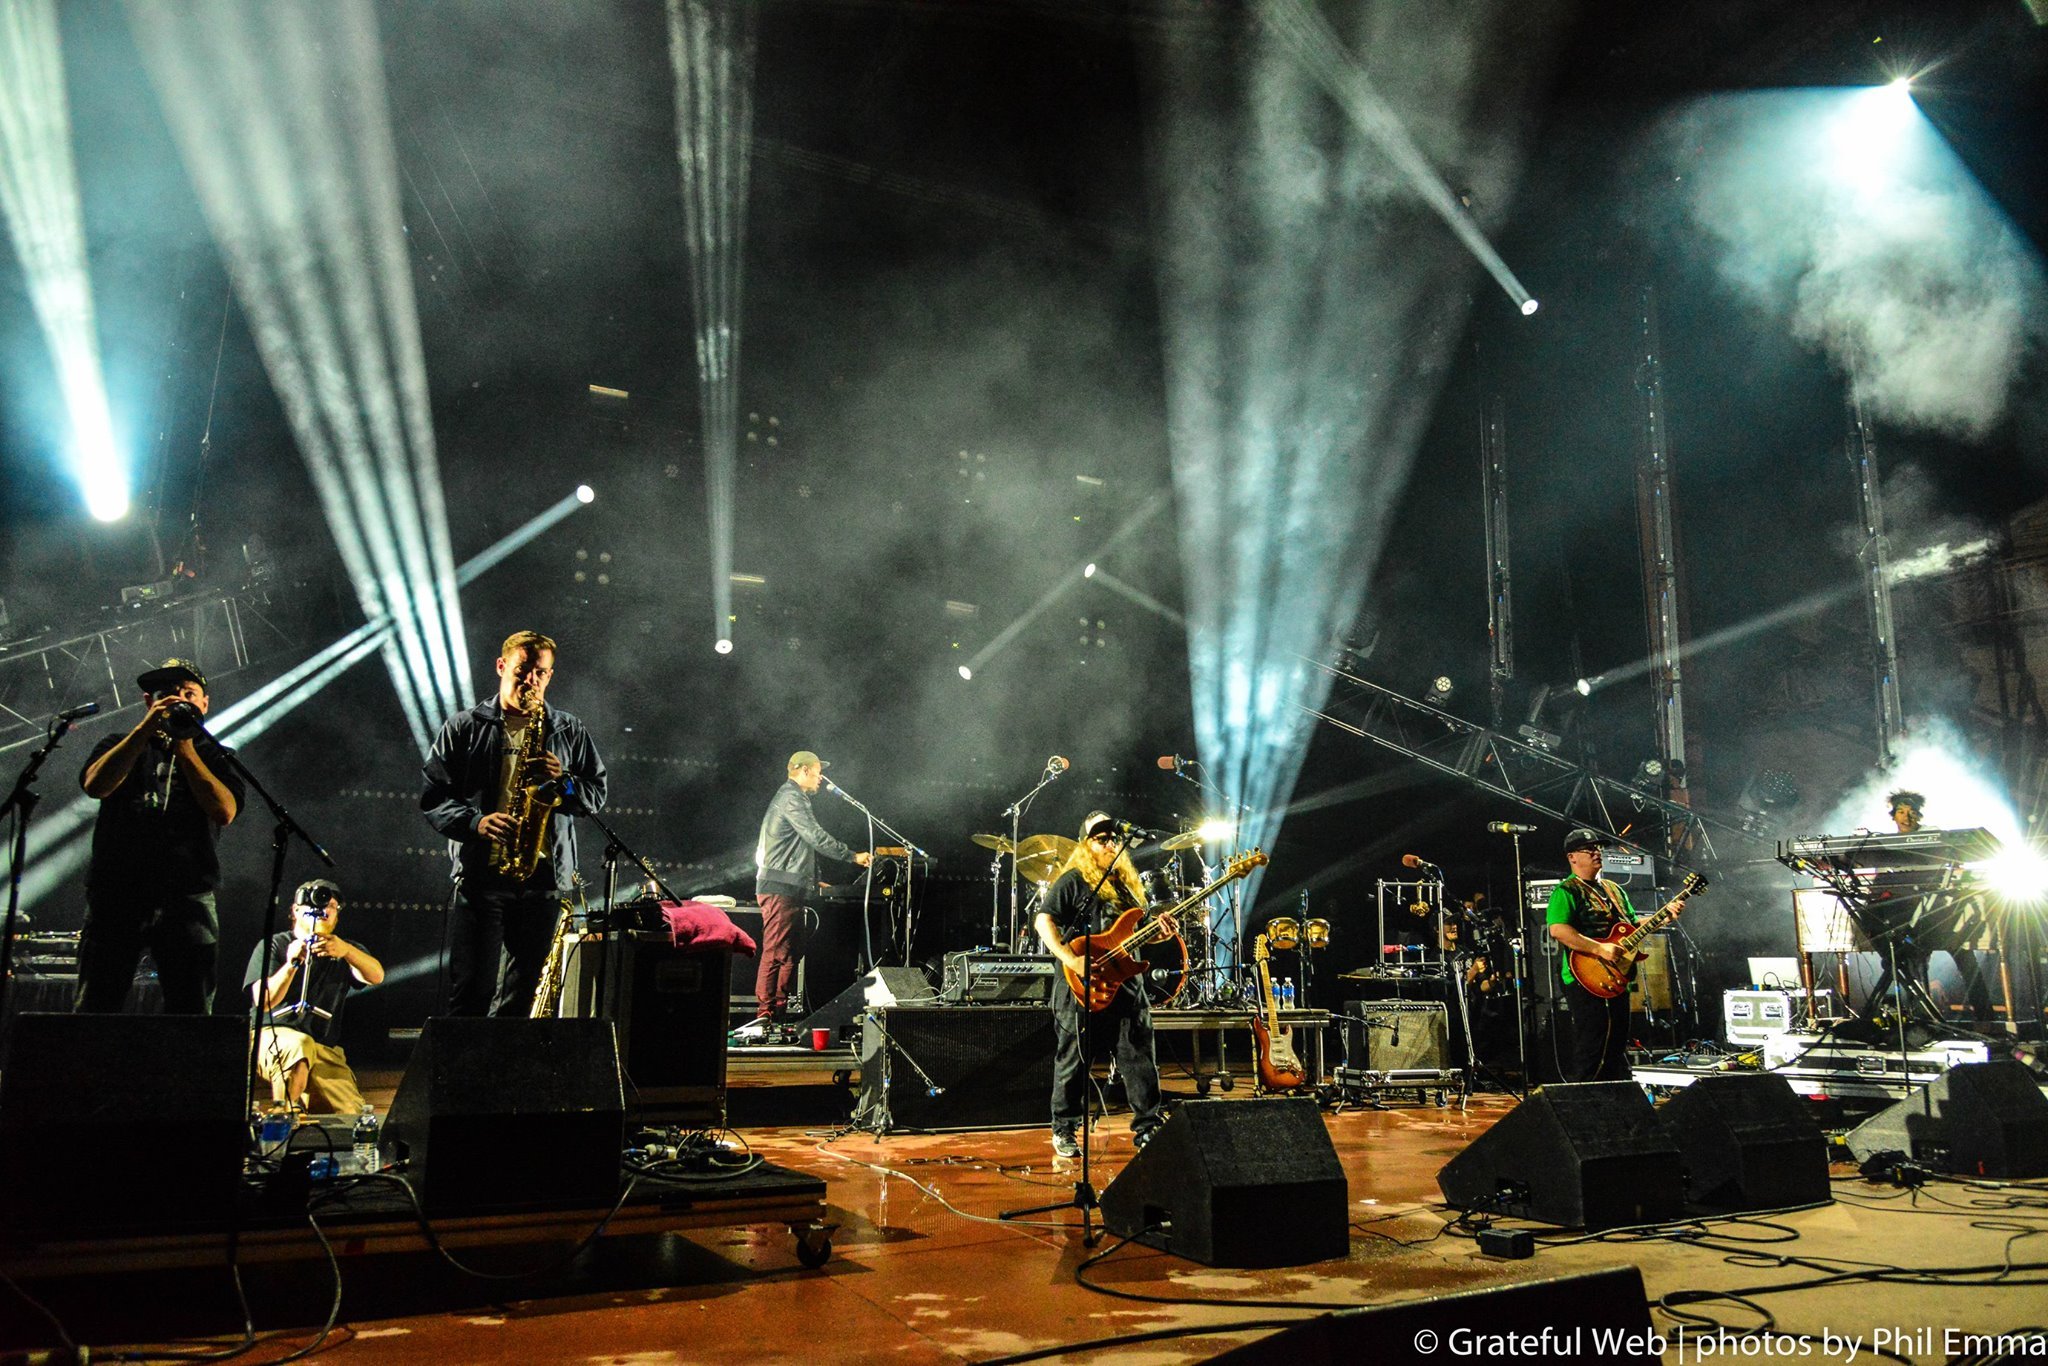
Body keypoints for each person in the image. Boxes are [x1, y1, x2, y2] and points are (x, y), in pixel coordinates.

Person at [421, 630, 607, 1016]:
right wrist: (475, 822)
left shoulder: (567, 729)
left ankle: (502, 1074)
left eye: (541, 673)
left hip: (542, 879)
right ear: (502, 666)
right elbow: (434, 796)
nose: (531, 682)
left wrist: (564, 783)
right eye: (523, 671)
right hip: (482, 877)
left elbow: (596, 793)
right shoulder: (464, 726)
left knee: (523, 996)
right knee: (473, 989)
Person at [75, 658, 243, 1013]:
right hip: (117, 893)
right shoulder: (118, 742)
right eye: (167, 693)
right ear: (149, 702)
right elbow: (96, 785)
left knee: (191, 1009)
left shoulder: (216, 755)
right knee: (96, 1004)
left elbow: (224, 811)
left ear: (204, 704)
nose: (178, 699)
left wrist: (185, 747)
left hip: (187, 895)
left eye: (188, 693)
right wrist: (145, 732)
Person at [1033, 811, 1164, 1158]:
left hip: (1126, 984)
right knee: (1074, 1059)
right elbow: (1044, 921)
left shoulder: (1128, 886)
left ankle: (1148, 1127)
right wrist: (1070, 958)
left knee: (1138, 1055)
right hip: (1080, 980)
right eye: (1100, 837)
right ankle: (1064, 1129)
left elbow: (1136, 934)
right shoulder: (1074, 879)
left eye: (1114, 837)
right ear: (1085, 844)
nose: (1110, 843)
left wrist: (1159, 932)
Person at [746, 751, 871, 1037]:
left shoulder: (795, 798)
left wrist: (815, 882)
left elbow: (798, 847)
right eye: (817, 772)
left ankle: (777, 1016)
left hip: (792, 886)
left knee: (791, 953)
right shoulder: (791, 797)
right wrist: (852, 856)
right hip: (779, 887)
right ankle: (763, 1017)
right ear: (802, 770)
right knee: (776, 951)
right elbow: (814, 836)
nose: (821, 778)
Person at [246, 879, 384, 1112]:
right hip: (270, 1036)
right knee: (300, 1045)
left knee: (351, 1113)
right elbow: (264, 1002)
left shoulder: (345, 948)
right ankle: (281, 1117)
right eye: (314, 904)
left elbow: (376, 976)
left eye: (330, 905)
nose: (322, 910)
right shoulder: (274, 945)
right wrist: (291, 964)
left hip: (322, 1048)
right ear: (295, 909)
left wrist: (348, 952)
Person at [1545, 828, 1662, 1083]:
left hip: (1616, 974)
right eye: (1590, 850)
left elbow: (1631, 926)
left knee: (1617, 1038)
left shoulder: (1614, 889)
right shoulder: (1567, 891)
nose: (1597, 853)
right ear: (1572, 857)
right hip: (1583, 975)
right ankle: (1584, 1097)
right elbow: (1559, 930)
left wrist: (1660, 917)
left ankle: (1615, 1092)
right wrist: (1599, 949)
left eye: (1598, 849)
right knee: (1593, 1039)